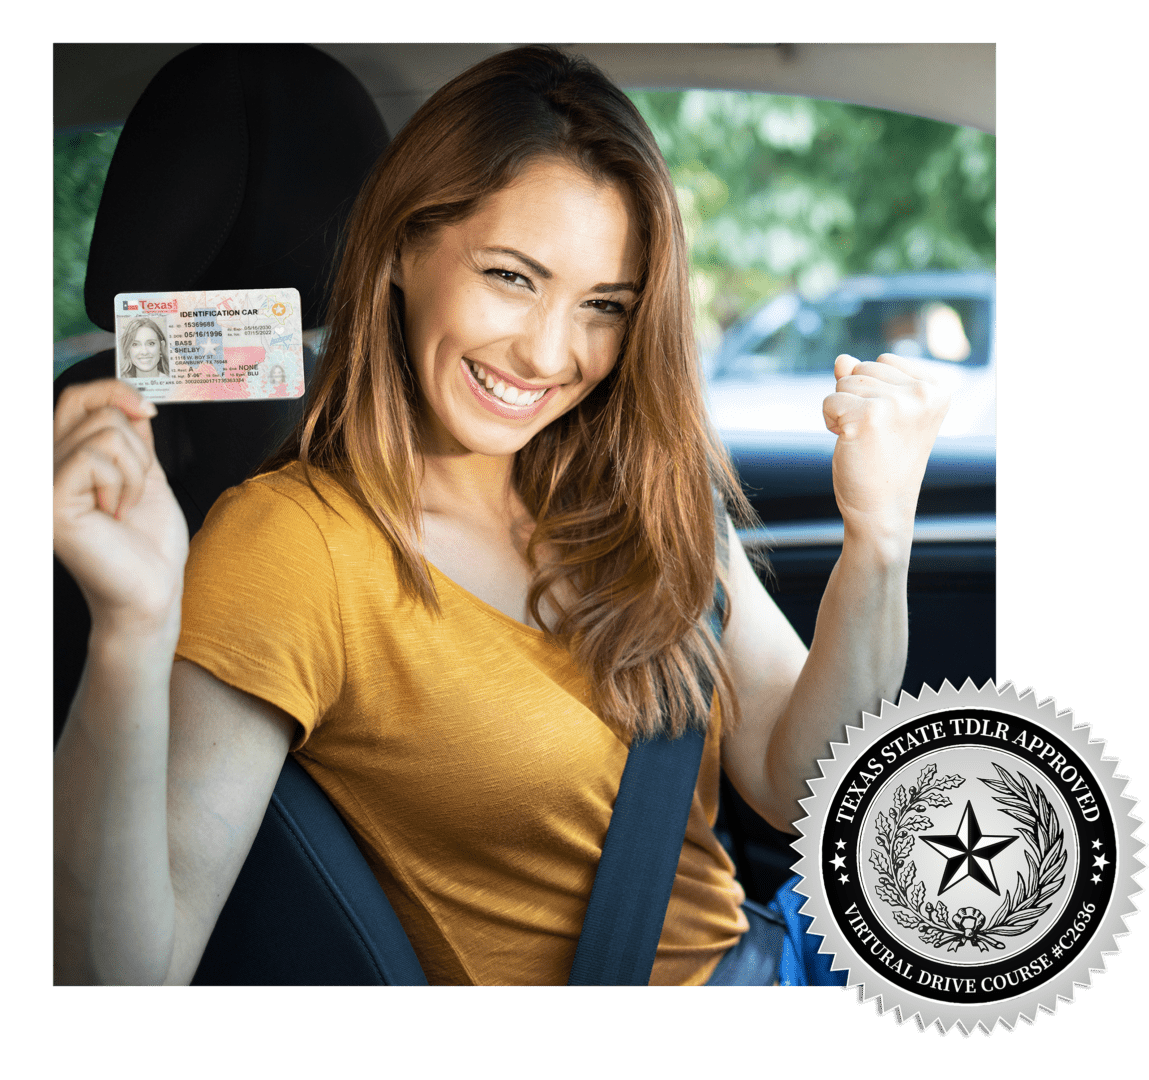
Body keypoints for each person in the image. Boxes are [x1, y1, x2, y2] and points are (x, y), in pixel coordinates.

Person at [51, 46, 949, 986]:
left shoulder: (635, 486)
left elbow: (803, 781)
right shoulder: (293, 545)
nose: (549, 354)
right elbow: (123, 978)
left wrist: (878, 541)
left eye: (604, 304)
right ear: (401, 245)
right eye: (511, 277)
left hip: (783, 961)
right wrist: (130, 630)